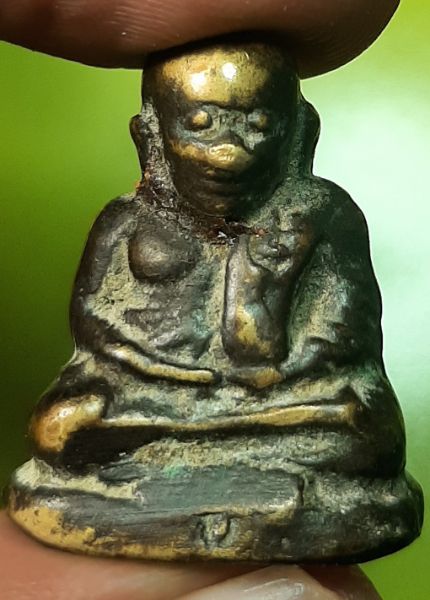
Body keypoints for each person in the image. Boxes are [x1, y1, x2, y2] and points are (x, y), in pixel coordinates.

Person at [0, 1, 399, 597]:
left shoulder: (323, 216)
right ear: (152, 135)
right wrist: (159, 370)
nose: (230, 151)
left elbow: (347, 334)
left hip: (288, 399)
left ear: (299, 133)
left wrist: (264, 314)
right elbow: (93, 324)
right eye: (200, 124)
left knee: (362, 426)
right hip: (150, 390)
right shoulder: (127, 220)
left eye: (258, 125)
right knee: (62, 425)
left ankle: (184, 467)